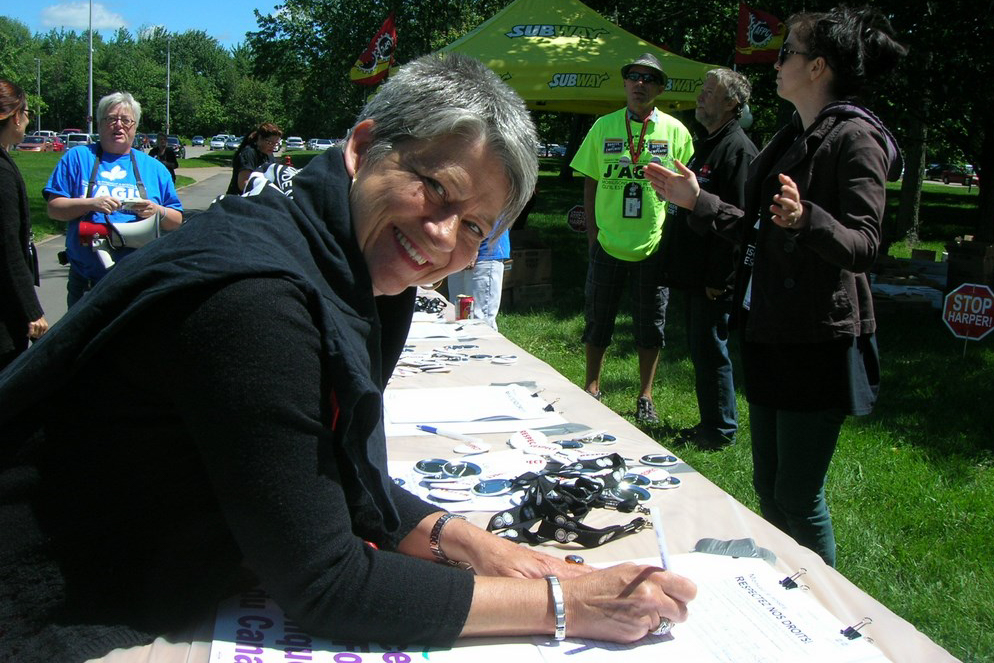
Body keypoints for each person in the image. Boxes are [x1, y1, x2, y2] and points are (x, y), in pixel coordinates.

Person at [0, 53, 695, 661]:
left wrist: (478, 544)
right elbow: (326, 582)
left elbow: (334, 472)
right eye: (438, 189)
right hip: (43, 600)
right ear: (364, 147)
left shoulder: (352, 261)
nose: (443, 235)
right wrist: (567, 603)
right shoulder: (259, 299)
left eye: (475, 227)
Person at [646, 6, 906, 566]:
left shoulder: (856, 138)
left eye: (787, 52)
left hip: (819, 337)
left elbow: (865, 244)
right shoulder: (794, 135)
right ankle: (783, 592)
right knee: (767, 485)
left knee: (797, 495)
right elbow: (757, 231)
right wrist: (697, 201)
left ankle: (824, 604)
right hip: (771, 327)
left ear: (817, 67)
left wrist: (807, 219)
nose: (776, 61)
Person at [570, 53, 694, 423]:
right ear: (625, 83)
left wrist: (672, 239)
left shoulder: (676, 132)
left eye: (649, 78)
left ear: (660, 88)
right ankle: (592, 387)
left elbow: (687, 190)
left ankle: (645, 396)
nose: (640, 83)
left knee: (650, 325)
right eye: (634, 76)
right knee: (598, 319)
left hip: (652, 246)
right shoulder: (603, 126)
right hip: (607, 244)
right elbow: (590, 182)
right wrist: (593, 236)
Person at [658, 69, 758, 450]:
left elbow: (740, 224)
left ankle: (720, 430)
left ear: (732, 103)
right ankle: (710, 422)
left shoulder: (738, 151)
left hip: (714, 279)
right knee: (701, 349)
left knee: (712, 350)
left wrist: (722, 278)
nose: (700, 96)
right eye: (701, 89)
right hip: (694, 271)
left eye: (710, 91)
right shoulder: (710, 144)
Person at [44, 92, 184, 308]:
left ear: (135, 127)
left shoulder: (154, 169)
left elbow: (176, 221)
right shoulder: (78, 157)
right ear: (99, 124)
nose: (119, 125)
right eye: (111, 119)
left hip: (138, 283)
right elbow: (54, 209)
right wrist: (91, 204)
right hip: (87, 282)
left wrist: (156, 210)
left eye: (126, 120)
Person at [0, 79, 48, 371]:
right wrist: (33, 311)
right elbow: (8, 248)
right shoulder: (2, 172)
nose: (29, 121)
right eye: (27, 113)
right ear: (15, 116)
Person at [446, 227, 510, 330]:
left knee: (480, 320)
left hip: (485, 253)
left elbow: (489, 218)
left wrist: (474, 245)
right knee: (458, 315)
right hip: (458, 252)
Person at [226, 121, 283, 194]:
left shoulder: (269, 155)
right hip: (241, 198)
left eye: (276, 143)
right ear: (259, 138)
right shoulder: (249, 153)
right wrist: (267, 192)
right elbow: (243, 184)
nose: (273, 146)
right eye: (270, 143)